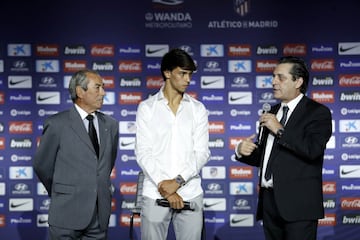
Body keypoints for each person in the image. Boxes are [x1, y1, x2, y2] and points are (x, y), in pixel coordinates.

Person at [235, 56, 332, 240]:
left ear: (298, 81)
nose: (273, 82)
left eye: (281, 77)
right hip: (270, 203)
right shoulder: (271, 112)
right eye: (273, 76)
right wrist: (243, 150)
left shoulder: (317, 112)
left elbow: (312, 150)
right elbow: (266, 157)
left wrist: (279, 129)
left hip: (299, 207)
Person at [33, 69, 119, 240]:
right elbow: (42, 166)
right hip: (66, 213)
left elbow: (106, 164)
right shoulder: (57, 124)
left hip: (98, 216)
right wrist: (62, 191)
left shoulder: (111, 124)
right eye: (98, 87)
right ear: (80, 91)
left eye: (103, 88)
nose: (103, 92)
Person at [135, 48, 210, 240]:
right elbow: (143, 152)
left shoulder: (198, 109)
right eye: (182, 73)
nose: (188, 79)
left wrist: (176, 183)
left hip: (190, 192)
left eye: (190, 74)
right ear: (167, 73)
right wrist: (164, 187)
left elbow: (201, 153)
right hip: (155, 192)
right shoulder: (147, 108)